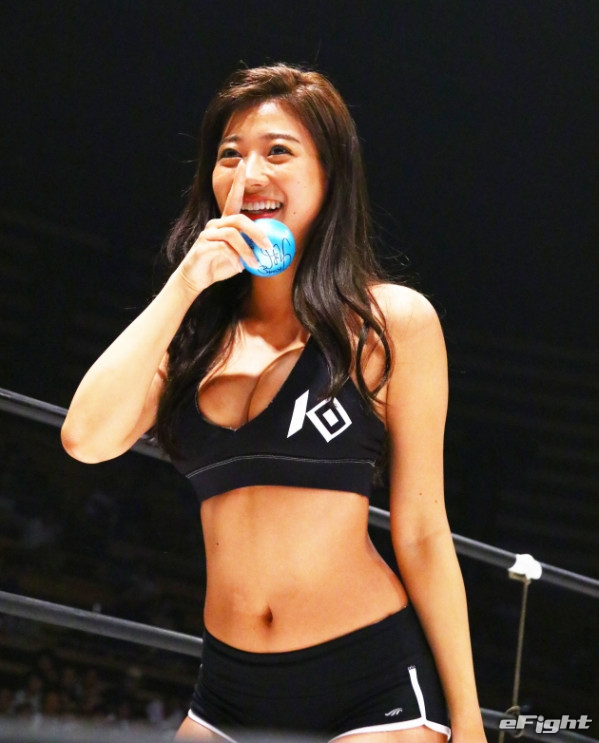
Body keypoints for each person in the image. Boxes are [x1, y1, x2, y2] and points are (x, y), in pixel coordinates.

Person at [61, 63, 487, 743]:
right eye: (229, 155)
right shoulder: (193, 338)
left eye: (278, 151)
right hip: (227, 691)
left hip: (370, 682)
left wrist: (467, 722)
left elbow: (422, 531)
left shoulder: (388, 324)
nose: (249, 173)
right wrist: (186, 284)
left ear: (329, 175)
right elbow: (85, 439)